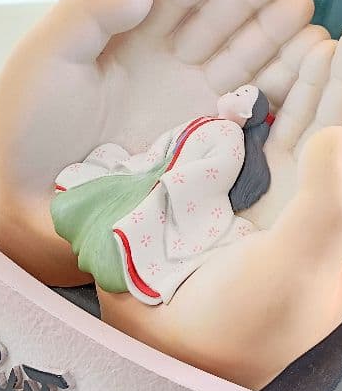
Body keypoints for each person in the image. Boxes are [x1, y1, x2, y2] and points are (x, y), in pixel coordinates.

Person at [50, 85, 273, 305]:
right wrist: (152, 161)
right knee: (98, 199)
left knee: (137, 225)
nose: (230, 93)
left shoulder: (232, 135)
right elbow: (169, 139)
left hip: (173, 189)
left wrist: (178, 180)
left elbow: (221, 169)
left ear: (246, 113)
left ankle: (114, 258)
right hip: (154, 175)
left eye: (239, 95)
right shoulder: (208, 120)